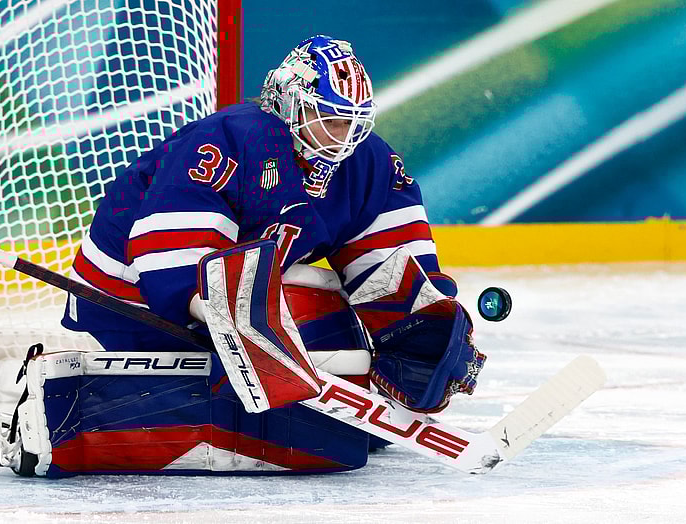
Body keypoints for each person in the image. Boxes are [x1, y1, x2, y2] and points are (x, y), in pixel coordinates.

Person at [43, 35, 486, 476]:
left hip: (229, 287)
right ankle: (102, 420)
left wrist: (421, 317)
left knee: (326, 328)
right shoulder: (228, 140)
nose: (343, 137)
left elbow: (392, 262)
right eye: (330, 118)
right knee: (293, 311)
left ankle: (296, 419)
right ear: (290, 102)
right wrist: (227, 317)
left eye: (354, 122)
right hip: (129, 295)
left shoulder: (366, 162)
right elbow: (171, 248)